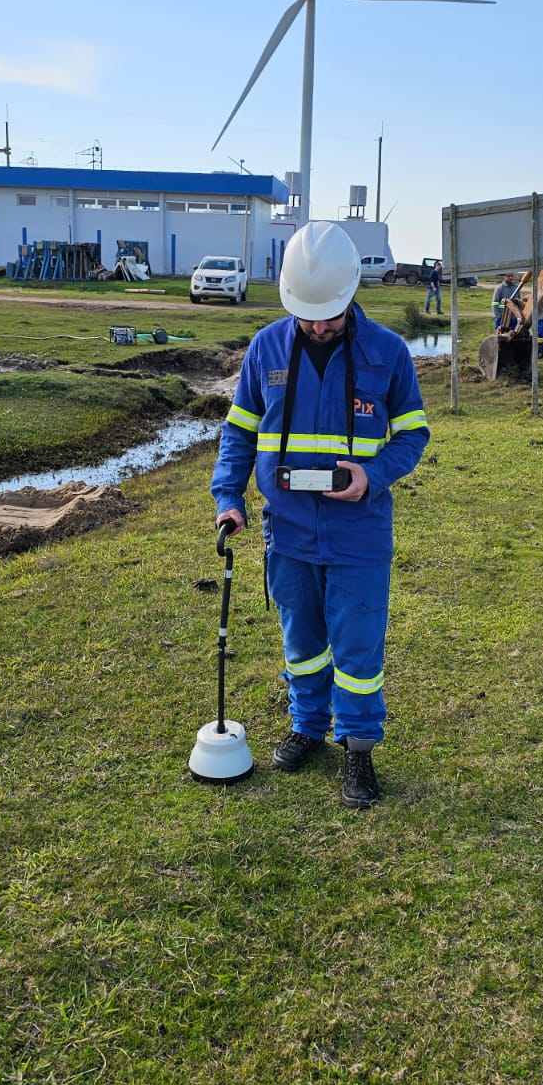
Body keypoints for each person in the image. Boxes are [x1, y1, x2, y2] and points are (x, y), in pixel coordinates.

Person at [211, 220, 430, 808]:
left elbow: (414, 434)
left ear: (350, 293)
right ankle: (308, 725)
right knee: (301, 639)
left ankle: (358, 747)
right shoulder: (265, 349)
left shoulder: (388, 353)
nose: (318, 326)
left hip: (359, 532)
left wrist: (372, 476)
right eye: (307, 316)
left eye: (329, 315)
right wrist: (229, 498)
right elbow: (238, 434)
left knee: (358, 646)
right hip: (287, 533)